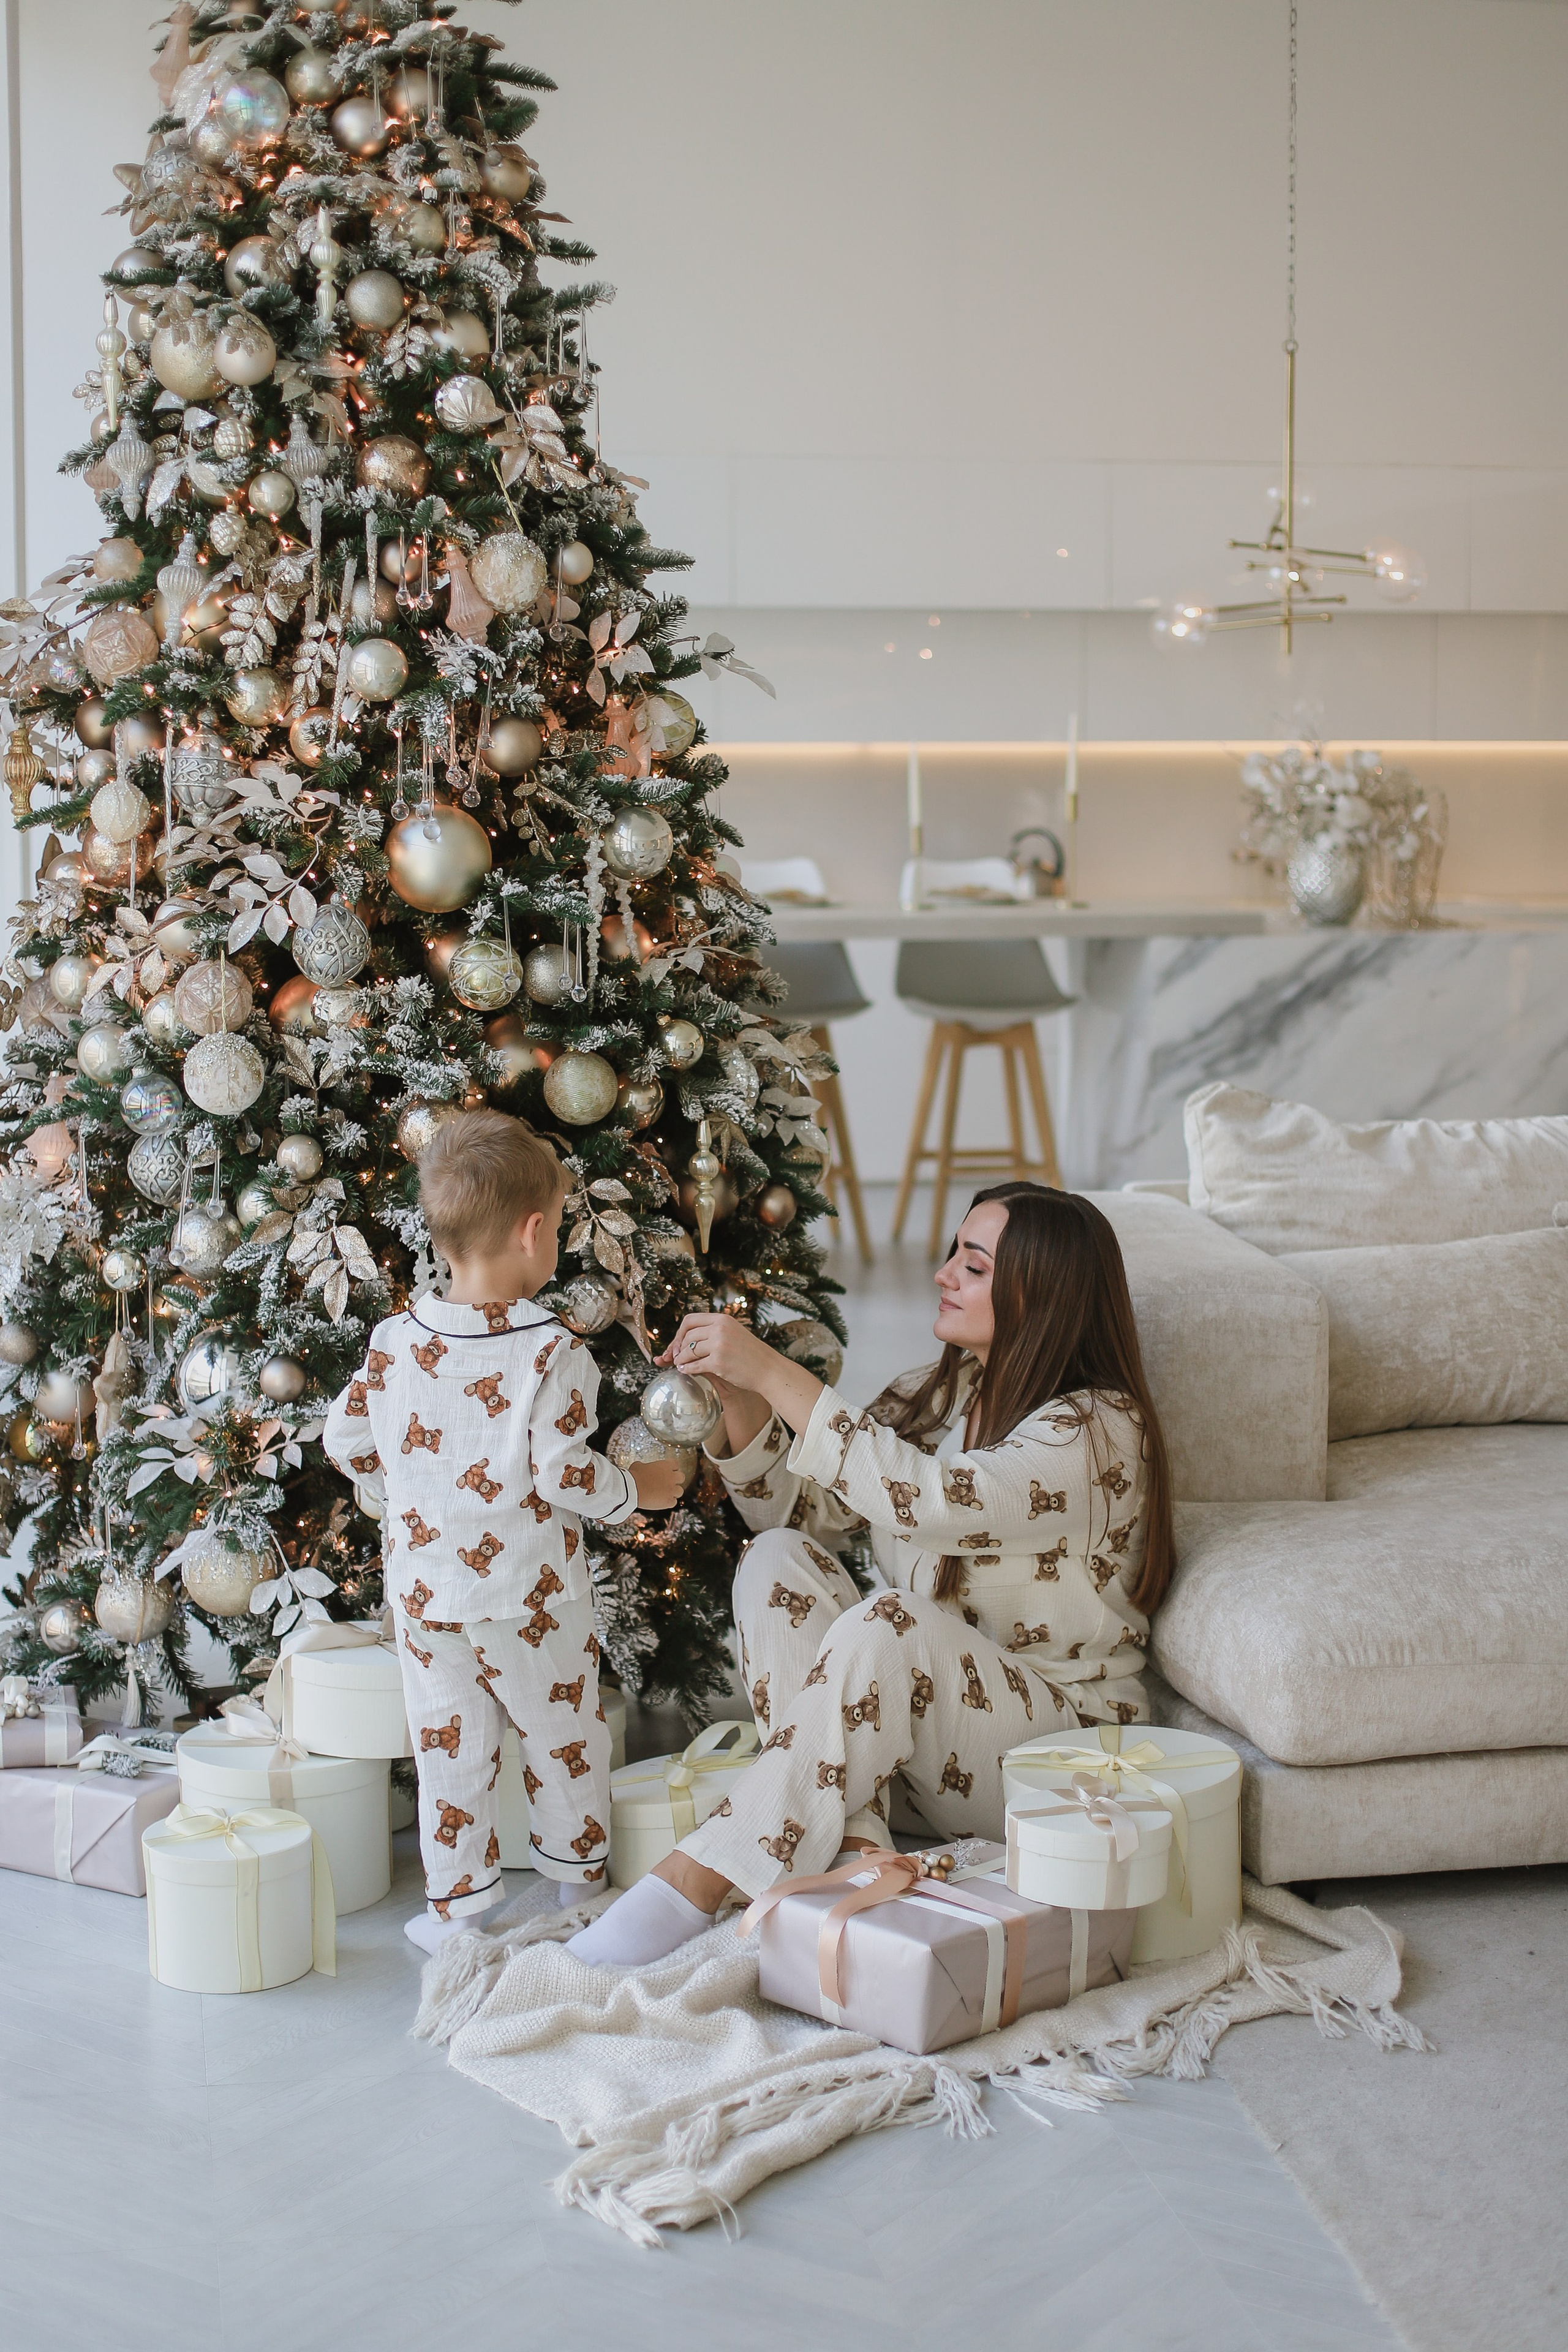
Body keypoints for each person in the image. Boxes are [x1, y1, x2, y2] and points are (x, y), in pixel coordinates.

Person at [570, 1180, 1174, 1967]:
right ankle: (862, 1854)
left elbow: (932, 1500)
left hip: (1058, 1765)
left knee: (891, 1622)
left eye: (975, 1264)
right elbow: (803, 1520)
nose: (943, 1274)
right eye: (955, 1251)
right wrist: (743, 1401)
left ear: (1043, 1292)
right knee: (777, 1561)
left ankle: (699, 1878)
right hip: (928, 1758)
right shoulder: (942, 1391)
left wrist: (777, 1370)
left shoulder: (1098, 1429)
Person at [323, 1110, 684, 1954]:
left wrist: (406, 1491)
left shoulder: (391, 1344)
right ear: (532, 1233)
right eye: (557, 1228)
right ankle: (577, 1880)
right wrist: (634, 1492)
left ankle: (457, 1914)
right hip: (532, 1599)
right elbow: (565, 1474)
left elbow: (344, 1441)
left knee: (448, 1746)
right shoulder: (553, 1352)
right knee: (563, 1734)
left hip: (427, 1600)